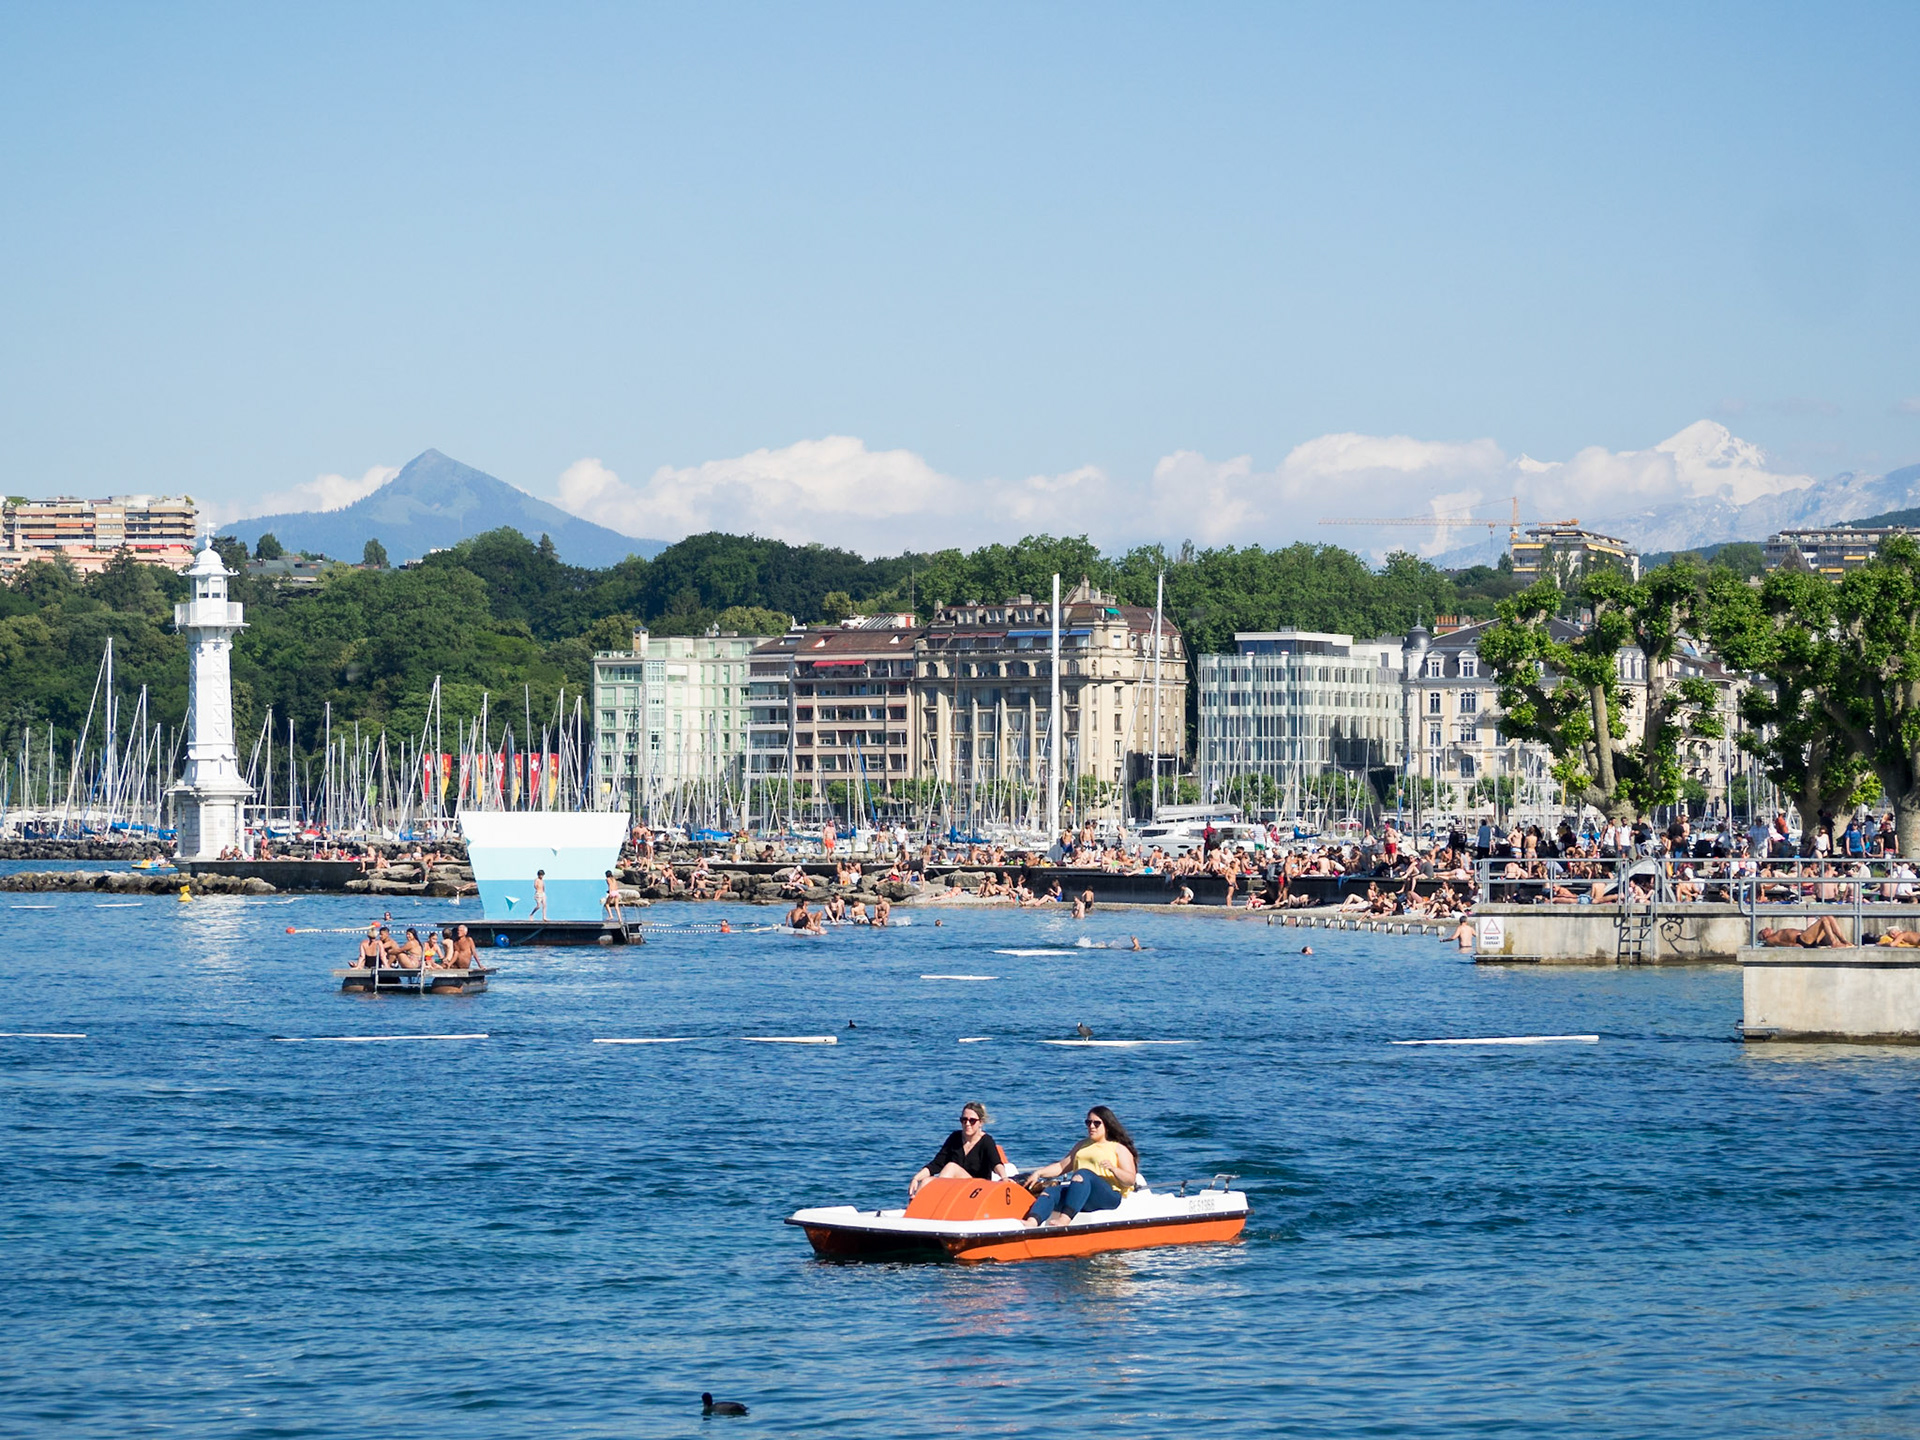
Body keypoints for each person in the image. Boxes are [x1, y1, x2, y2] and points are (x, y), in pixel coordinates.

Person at [1022, 1106, 1139, 1227]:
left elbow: (1130, 1180)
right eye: (1088, 1122)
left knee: (1083, 1174)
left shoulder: (1118, 1148)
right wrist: (1038, 1173)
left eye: (1096, 1123)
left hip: (1108, 1196)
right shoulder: (1082, 1145)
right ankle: (1032, 1222)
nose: (1091, 1126)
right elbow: (1061, 1167)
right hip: (1082, 1194)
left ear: (1107, 1126)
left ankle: (1064, 1220)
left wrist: (1114, 1169)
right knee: (1050, 1192)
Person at [908, 1102, 1012, 1196]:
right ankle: (914, 1208)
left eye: (972, 1121)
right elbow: (937, 1164)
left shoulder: (986, 1141)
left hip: (977, 1190)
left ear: (980, 1122)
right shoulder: (955, 1138)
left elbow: (996, 1163)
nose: (967, 1124)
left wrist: (1004, 1178)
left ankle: (937, 1199)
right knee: (926, 1181)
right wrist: (916, 1178)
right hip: (957, 1187)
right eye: (964, 1120)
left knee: (951, 1167)